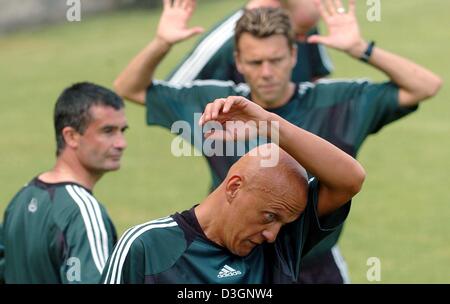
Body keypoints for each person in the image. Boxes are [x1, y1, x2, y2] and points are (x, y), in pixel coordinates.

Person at [113, 0, 442, 283]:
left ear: (294, 56)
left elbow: (425, 86)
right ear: (239, 63)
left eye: (276, 60)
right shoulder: (218, 106)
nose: (267, 72)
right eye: (256, 62)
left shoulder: (340, 100)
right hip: (240, 256)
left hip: (315, 259)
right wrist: (160, 42)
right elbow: (131, 88)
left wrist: (360, 48)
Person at [102, 96, 366, 283]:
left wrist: (268, 124)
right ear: (234, 187)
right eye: (270, 216)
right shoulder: (147, 247)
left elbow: (350, 179)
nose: (272, 234)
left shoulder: (282, 240)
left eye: (284, 221)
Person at [2, 82, 128, 283]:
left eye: (123, 130)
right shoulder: (82, 212)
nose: (121, 143)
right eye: (108, 131)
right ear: (71, 136)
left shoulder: (22, 198)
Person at [166, 0, 333, 85]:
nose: (303, 40)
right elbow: (172, 91)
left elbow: (316, 78)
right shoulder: (224, 41)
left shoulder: (304, 22)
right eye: (298, 34)